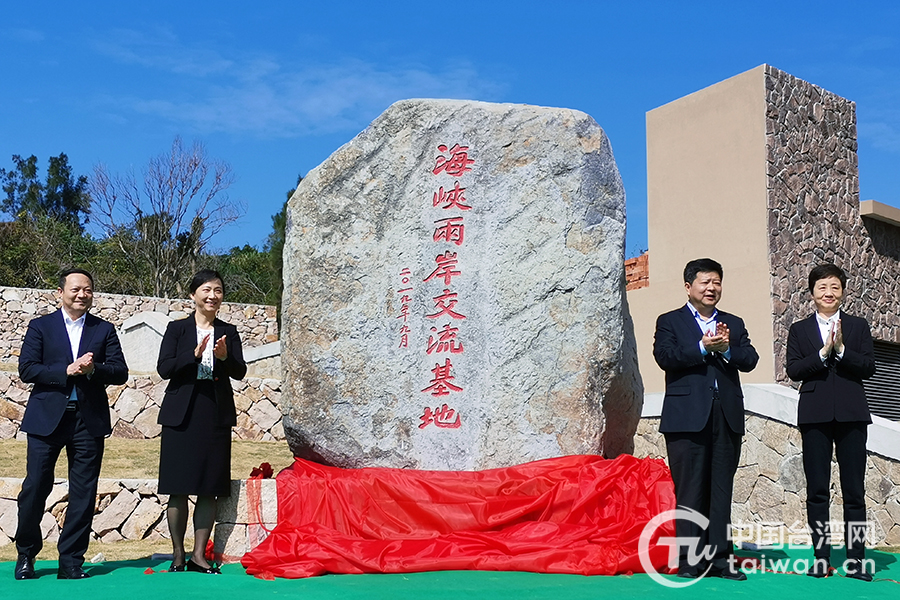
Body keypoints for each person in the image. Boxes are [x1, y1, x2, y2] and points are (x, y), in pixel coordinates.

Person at [15, 268, 129, 580]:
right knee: (35, 487)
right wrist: (66, 370)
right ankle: (26, 554)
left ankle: (71, 562)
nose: (82, 295)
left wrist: (93, 371)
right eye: (76, 289)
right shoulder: (41, 327)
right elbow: (27, 369)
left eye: (88, 290)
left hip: (88, 420)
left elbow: (120, 371)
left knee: (83, 492)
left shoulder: (103, 329)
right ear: (61, 292)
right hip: (46, 420)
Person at [653, 258, 758, 580]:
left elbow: (750, 359)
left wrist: (726, 349)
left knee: (720, 491)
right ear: (689, 287)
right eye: (705, 282)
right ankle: (690, 561)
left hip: (725, 416)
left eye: (717, 282)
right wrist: (701, 347)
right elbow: (665, 357)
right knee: (690, 491)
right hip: (686, 418)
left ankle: (721, 561)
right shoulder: (670, 321)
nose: (712, 288)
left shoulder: (733, 323)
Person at [786, 263, 875, 581]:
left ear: (843, 292)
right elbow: (794, 370)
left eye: (835, 287)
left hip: (852, 415)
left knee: (854, 490)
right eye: (822, 287)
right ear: (812, 293)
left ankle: (856, 560)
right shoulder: (799, 330)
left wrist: (842, 351)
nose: (828, 292)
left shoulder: (858, 326)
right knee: (817, 491)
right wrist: (823, 354)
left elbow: (868, 367)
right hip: (814, 416)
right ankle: (821, 558)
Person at [157, 269, 246, 574]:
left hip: (214, 413)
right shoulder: (176, 329)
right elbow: (164, 368)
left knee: (209, 487)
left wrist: (223, 357)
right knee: (178, 487)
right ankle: (178, 554)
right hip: (181, 415)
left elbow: (240, 371)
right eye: (206, 290)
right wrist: (192, 355)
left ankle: (198, 556)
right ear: (193, 295)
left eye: (218, 290)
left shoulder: (229, 331)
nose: (212, 296)